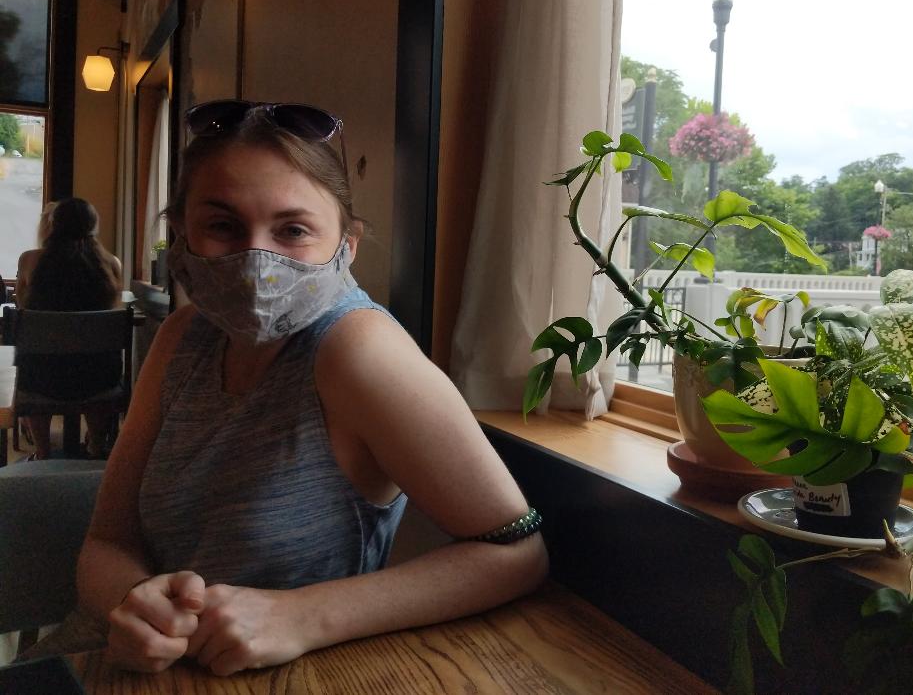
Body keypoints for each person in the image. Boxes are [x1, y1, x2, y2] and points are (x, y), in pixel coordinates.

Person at [76, 101, 548, 676]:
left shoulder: (358, 351)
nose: (256, 258)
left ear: (346, 245)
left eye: (293, 229)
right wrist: (131, 604)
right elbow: (107, 541)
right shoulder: (183, 337)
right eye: (223, 226)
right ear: (181, 236)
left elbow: (517, 552)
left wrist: (302, 617)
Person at [15, 198, 124, 459]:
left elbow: (21, 309)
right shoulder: (111, 264)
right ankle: (96, 445)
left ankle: (42, 452)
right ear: (93, 225)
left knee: (33, 360)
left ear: (53, 224)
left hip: (42, 379)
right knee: (101, 359)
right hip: (97, 380)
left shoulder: (30, 260)